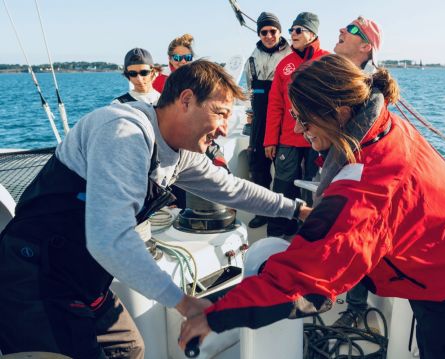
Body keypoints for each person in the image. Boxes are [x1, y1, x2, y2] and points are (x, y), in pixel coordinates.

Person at [179, 55, 445, 359]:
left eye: (304, 120)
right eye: (294, 117)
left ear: (339, 112)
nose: (296, 129)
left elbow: (308, 277)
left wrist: (213, 314)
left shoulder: (370, 186)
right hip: (442, 261)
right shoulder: (382, 126)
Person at [0, 60, 310, 359]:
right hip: (35, 277)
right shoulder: (124, 131)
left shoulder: (181, 152)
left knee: (128, 348)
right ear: (186, 100)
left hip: (86, 279)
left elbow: (232, 188)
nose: (224, 128)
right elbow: (109, 239)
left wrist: (296, 210)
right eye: (220, 113)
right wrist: (184, 303)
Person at [330, 15, 382, 328]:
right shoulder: (342, 77)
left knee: (358, 240)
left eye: (351, 30)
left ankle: (356, 308)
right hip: (343, 170)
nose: (340, 30)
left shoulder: (373, 86)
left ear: (365, 46)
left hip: (366, 180)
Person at [264, 12, 329, 237]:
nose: (292, 34)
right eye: (291, 30)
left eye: (298, 30)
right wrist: (270, 140)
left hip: (319, 139)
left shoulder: (327, 61)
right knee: (283, 184)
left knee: (315, 186)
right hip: (288, 138)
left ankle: (309, 233)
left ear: (312, 34)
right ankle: (278, 231)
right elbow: (275, 106)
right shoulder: (284, 66)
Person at [243, 12, 291, 229]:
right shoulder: (252, 58)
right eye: (264, 32)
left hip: (284, 119)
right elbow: (249, 90)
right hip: (260, 118)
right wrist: (250, 112)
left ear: (280, 32)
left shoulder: (291, 55)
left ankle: (284, 214)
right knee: (258, 166)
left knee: (284, 167)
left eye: (273, 31)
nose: (269, 35)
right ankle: (262, 211)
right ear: (259, 33)